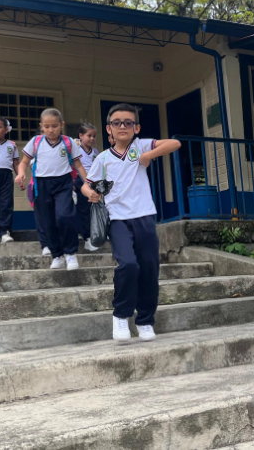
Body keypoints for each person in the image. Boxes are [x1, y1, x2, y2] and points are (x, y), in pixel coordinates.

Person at [82, 103, 181, 343]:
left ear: (136, 127)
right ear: (109, 129)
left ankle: (145, 321)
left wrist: (148, 156)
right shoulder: (104, 158)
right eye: (117, 123)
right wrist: (90, 194)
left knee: (149, 268)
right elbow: (87, 184)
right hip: (117, 219)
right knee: (128, 265)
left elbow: (174, 144)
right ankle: (121, 316)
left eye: (128, 122)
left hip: (144, 216)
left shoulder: (141, 146)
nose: (123, 126)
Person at [16, 108, 89, 271]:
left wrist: (88, 182)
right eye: (47, 126)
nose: (51, 130)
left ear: (61, 125)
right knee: (47, 221)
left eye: (54, 126)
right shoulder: (36, 142)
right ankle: (57, 255)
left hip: (63, 183)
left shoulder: (68, 142)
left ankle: (70, 253)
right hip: (41, 185)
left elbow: (78, 164)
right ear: (41, 126)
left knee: (65, 216)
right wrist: (21, 174)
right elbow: (24, 162)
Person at [75, 123, 100, 252]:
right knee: (82, 209)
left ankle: (93, 234)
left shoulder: (95, 152)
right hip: (78, 182)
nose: (91, 138)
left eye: (94, 136)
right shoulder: (76, 148)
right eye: (89, 135)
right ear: (81, 136)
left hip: (92, 184)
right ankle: (87, 237)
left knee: (92, 209)